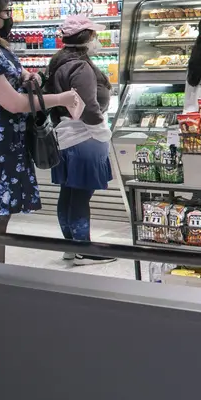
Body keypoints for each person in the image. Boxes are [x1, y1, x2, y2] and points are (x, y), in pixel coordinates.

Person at [0, 0, 83, 264]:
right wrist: (61, 99)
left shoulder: (1, 49)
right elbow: (14, 103)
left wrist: (28, 76)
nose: (10, 17)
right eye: (6, 12)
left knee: (0, 221)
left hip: (9, 144)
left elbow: (18, 78)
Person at [44, 14, 116, 266]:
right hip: (84, 137)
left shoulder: (58, 61)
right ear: (86, 38)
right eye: (94, 35)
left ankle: (70, 246)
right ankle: (84, 249)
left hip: (64, 134)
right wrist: (100, 131)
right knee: (82, 195)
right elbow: (87, 106)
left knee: (69, 193)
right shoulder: (81, 67)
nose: (97, 40)